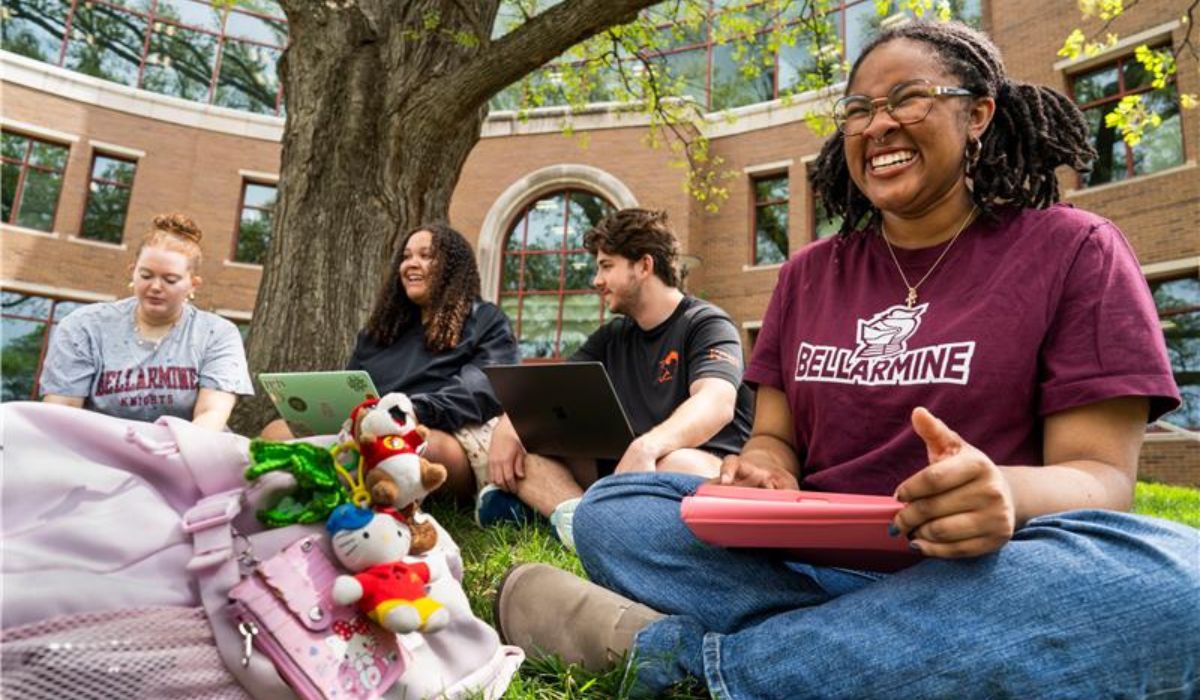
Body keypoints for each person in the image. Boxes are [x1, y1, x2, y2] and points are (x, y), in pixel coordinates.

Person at [494, 21, 1199, 698]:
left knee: (1179, 581)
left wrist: (1008, 495)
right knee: (616, 509)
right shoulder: (807, 273)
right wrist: (764, 470)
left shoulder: (1075, 249)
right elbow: (773, 438)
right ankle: (897, 653)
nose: (876, 126)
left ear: (979, 113)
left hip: (989, 568)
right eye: (858, 110)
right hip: (804, 564)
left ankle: (685, 661)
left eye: (908, 100)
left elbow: (1101, 478)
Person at [484, 208, 754, 547]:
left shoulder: (707, 324)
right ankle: (583, 523)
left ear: (644, 266)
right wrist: (507, 428)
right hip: (628, 469)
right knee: (533, 453)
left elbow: (716, 402)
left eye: (606, 266)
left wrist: (648, 446)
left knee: (672, 462)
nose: (597, 280)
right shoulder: (612, 336)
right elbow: (548, 391)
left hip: (700, 466)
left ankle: (566, 514)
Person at [262, 223, 518, 501]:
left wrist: (411, 411)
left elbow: (482, 387)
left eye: (426, 255)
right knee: (275, 432)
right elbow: (351, 389)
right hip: (367, 430)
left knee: (405, 447)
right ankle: (337, 477)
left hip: (436, 434)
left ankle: (327, 480)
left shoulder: (485, 320)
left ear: (453, 268)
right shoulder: (380, 331)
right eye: (406, 257)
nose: (411, 264)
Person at [40, 213, 253, 431]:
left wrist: (173, 449)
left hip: (187, 446)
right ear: (132, 273)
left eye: (170, 280)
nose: (156, 287)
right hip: (97, 446)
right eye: (146, 275)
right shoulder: (83, 326)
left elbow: (212, 413)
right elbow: (61, 411)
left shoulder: (217, 333)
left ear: (193, 285)